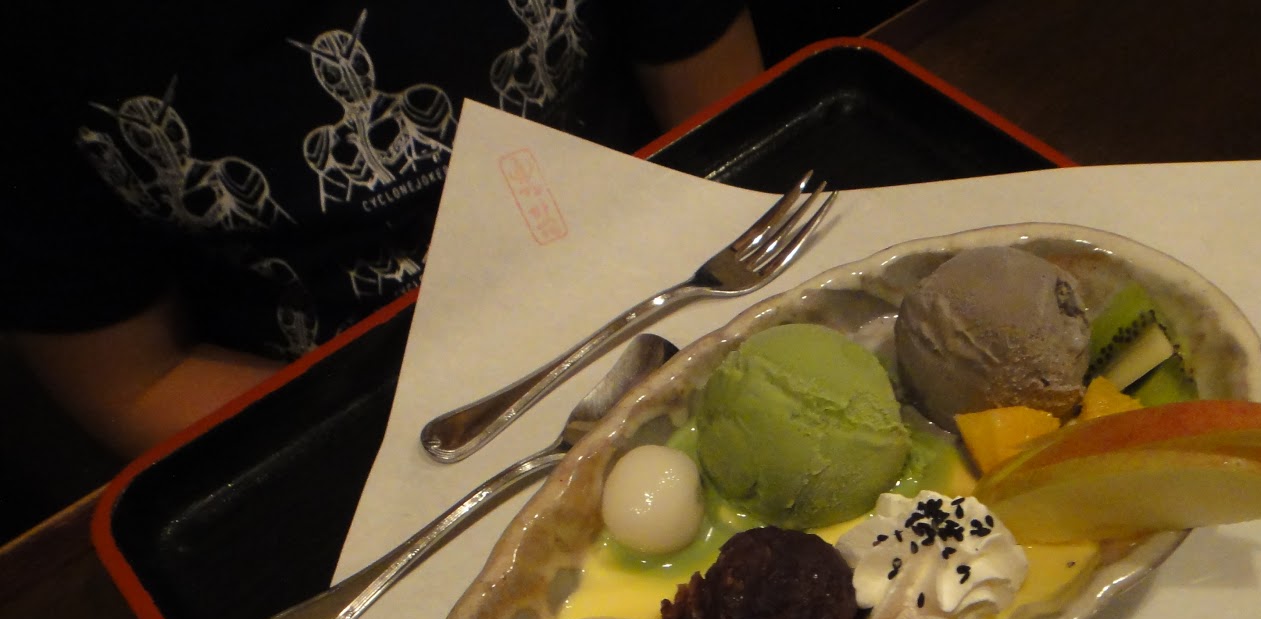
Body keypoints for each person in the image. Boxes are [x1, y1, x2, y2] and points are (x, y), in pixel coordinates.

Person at [2, 1, 763, 458]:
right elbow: (135, 382)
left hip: (649, 297)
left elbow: (735, 131)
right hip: (333, 418)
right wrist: (417, 445)